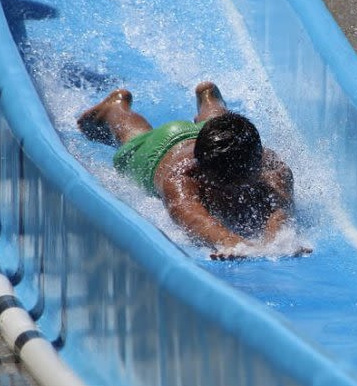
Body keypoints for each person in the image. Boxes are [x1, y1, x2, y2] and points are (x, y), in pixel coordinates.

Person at [77, 81, 306, 259]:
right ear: (199, 169)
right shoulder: (179, 176)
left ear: (257, 164)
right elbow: (191, 216)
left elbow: (281, 209)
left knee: (223, 129)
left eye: (240, 181)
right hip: (158, 150)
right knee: (134, 137)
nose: (233, 192)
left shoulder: (273, 168)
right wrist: (230, 241)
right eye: (223, 184)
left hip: (208, 136)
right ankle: (114, 109)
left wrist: (277, 240)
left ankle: (209, 101)